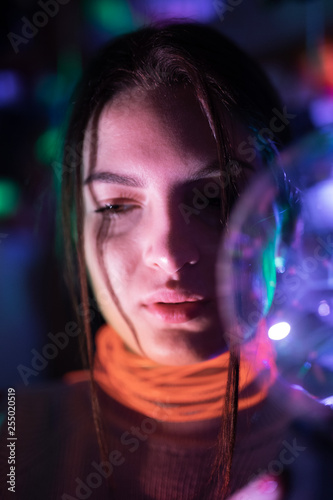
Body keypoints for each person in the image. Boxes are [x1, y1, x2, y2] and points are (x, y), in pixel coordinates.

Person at [1, 22, 332, 500]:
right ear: (75, 229)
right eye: (116, 206)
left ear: (289, 218)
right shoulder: (15, 435)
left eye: (215, 198)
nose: (170, 256)